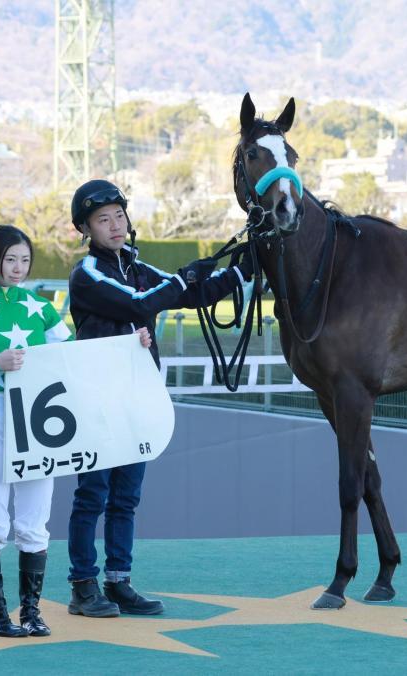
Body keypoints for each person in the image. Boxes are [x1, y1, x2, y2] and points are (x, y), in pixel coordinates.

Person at [0, 224, 151, 637]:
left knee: (35, 522)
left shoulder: (40, 307)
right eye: (10, 260)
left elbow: (75, 356)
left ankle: (31, 613)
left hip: (39, 422)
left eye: (24, 260)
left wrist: (130, 345)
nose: (18, 269)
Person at [66, 179, 252, 618]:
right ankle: (81, 586)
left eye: (119, 216)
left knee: (126, 497)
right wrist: (186, 274)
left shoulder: (135, 264)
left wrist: (240, 272)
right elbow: (140, 304)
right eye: (103, 219)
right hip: (97, 400)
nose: (114, 225)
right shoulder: (86, 273)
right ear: (86, 229)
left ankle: (118, 582)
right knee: (92, 495)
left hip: (136, 398)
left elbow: (191, 293)